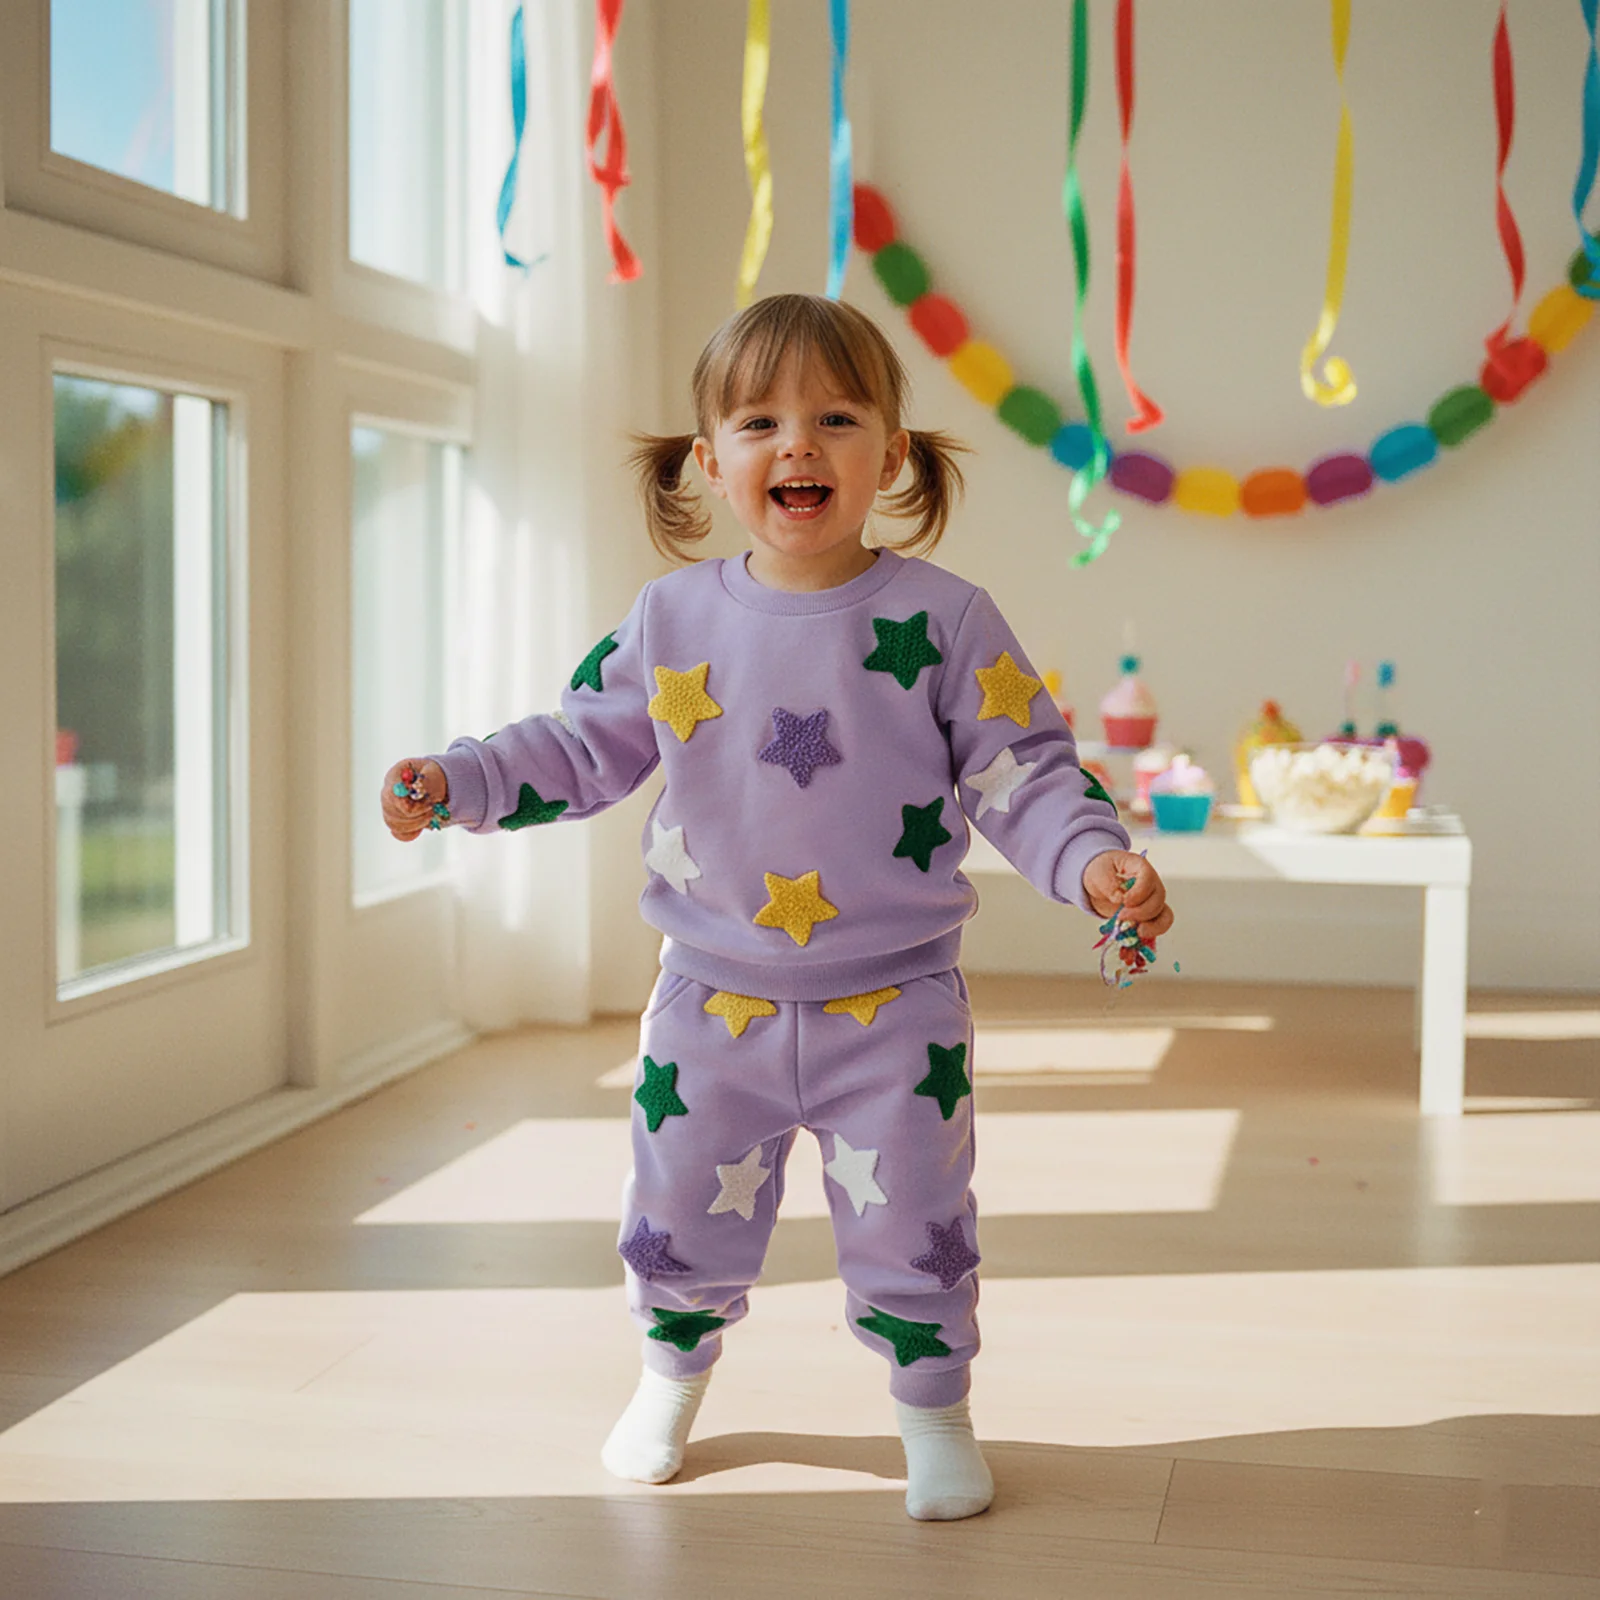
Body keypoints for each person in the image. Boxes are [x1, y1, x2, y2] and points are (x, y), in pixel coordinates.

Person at [382, 293, 1174, 1520]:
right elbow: (574, 746)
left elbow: (1027, 772)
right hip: (710, 1003)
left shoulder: (945, 619)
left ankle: (935, 1413)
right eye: (758, 421)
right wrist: (462, 781)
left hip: (896, 1006)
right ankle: (668, 1376)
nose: (796, 443)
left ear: (890, 454)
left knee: (919, 1225)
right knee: (675, 1211)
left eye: (835, 417)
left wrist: (1092, 863)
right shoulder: (671, 619)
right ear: (710, 460)